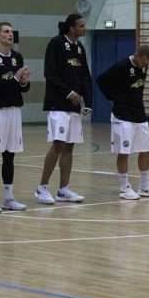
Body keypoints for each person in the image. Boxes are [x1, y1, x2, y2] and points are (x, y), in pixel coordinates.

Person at [35, 14, 93, 205]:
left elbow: (85, 76)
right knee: (58, 144)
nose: (85, 28)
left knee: (69, 146)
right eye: (81, 25)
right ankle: (42, 187)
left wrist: (89, 102)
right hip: (57, 103)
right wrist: (69, 92)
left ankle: (63, 189)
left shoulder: (80, 48)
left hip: (73, 106)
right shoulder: (57, 43)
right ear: (72, 28)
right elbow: (50, 74)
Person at [96, 45, 149, 200]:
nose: (144, 66)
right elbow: (101, 80)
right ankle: (124, 188)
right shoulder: (121, 66)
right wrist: (113, 97)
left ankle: (144, 186)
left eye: (147, 64)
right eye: (143, 62)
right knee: (124, 151)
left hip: (139, 112)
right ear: (137, 55)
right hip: (122, 114)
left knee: (146, 149)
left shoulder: (143, 66)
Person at [0, 22, 32, 214]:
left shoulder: (17, 57)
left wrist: (23, 81)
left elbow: (22, 88)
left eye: (11, 32)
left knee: (10, 154)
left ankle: (8, 197)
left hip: (14, 111)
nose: (10, 34)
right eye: (6, 32)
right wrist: (15, 79)